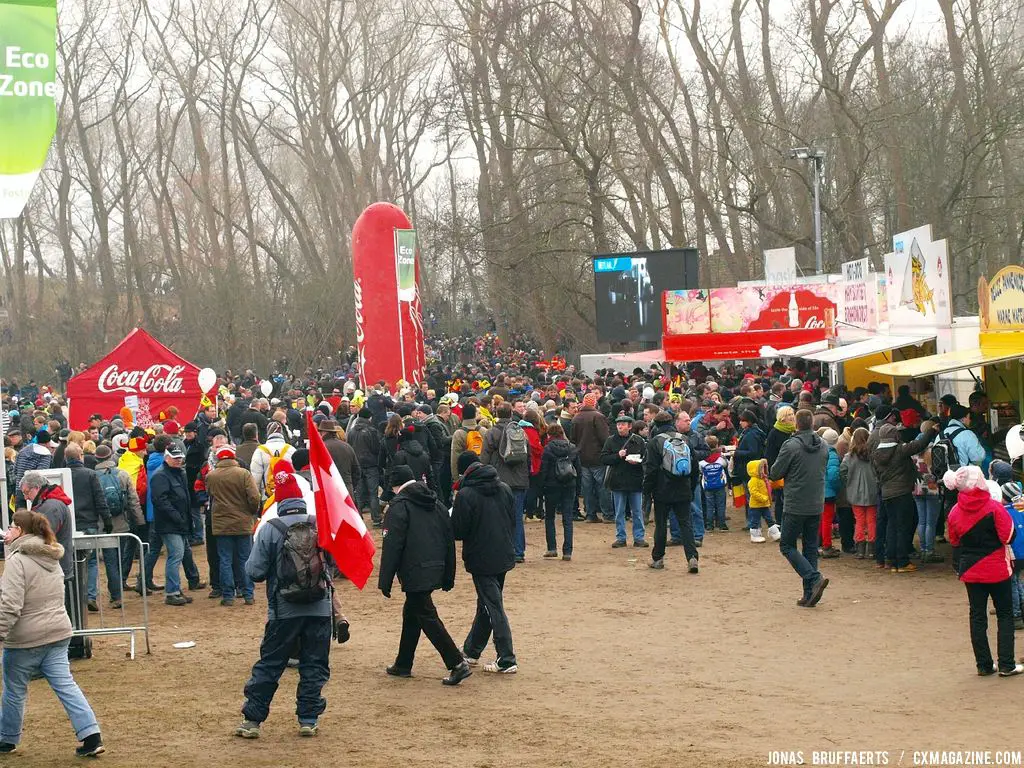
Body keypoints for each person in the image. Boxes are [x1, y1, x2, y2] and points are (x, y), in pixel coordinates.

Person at [236, 463, 339, 739]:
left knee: (270, 664)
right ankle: (308, 718)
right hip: (319, 607)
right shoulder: (320, 523)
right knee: (314, 664)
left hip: (283, 611)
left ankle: (252, 721)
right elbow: (334, 563)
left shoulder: (271, 528)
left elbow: (255, 572)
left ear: (279, 501)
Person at [0, 511, 105, 757]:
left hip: (26, 638)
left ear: (21, 531)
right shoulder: (51, 556)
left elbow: (9, 605)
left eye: (12, 527)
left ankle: (7, 739)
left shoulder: (18, 560)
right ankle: (91, 735)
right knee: (66, 686)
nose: (9, 530)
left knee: (14, 689)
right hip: (58, 632)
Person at [378, 465, 471, 685]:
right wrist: (449, 574)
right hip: (435, 566)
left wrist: (385, 580)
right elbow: (449, 540)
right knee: (413, 612)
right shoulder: (436, 503)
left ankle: (457, 662)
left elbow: (392, 545)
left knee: (426, 615)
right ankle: (403, 662)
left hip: (414, 570)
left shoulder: (398, 507)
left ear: (395, 485)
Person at [944, 466, 1022, 676]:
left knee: (977, 616)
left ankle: (984, 665)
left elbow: (954, 541)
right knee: (1005, 615)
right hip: (997, 568)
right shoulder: (994, 508)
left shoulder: (954, 512)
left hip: (971, 570)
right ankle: (1007, 664)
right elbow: (1008, 537)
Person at [451, 451, 518, 674]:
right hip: (503, 552)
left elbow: (458, 530)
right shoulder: (504, 488)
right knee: (487, 603)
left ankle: (506, 657)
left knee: (492, 605)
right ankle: (472, 650)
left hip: (481, 556)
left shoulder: (466, 494)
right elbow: (512, 520)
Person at [769, 409, 829, 607]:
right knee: (810, 547)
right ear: (812, 424)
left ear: (796, 424)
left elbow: (775, 472)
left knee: (787, 545)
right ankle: (809, 594)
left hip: (795, 502)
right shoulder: (824, 445)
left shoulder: (791, 445)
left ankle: (813, 579)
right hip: (816, 502)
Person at [871, 417, 938, 573]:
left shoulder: (876, 454)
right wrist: (932, 431)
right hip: (902, 493)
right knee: (903, 527)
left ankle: (890, 560)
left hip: (886, 493)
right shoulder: (900, 450)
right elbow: (919, 445)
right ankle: (902, 562)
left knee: (891, 526)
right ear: (895, 436)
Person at [644, 411, 699, 573]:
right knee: (686, 524)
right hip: (683, 488)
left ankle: (658, 558)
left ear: (656, 425)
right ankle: (692, 557)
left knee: (661, 525)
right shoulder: (685, 439)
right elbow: (694, 467)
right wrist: (691, 486)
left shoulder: (655, 442)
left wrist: (648, 491)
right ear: (673, 423)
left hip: (662, 490)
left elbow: (651, 470)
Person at [206, 445, 261, 607]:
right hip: (243, 522)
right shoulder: (243, 474)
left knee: (224, 559)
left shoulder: (211, 476)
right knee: (245, 558)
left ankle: (228, 595)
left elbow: (210, 495)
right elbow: (254, 497)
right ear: (233, 458)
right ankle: (248, 594)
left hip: (221, 524)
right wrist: (251, 512)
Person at [64, 443, 116, 612]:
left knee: (70, 562)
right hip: (89, 523)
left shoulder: (61, 475)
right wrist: (107, 520)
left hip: (68, 524)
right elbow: (100, 499)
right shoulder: (90, 475)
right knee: (91, 562)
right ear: (80, 456)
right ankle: (90, 596)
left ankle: (75, 598)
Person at [150, 441, 198, 606]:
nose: (178, 460)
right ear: (167, 457)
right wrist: (178, 517)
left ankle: (175, 589)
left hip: (178, 522)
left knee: (180, 554)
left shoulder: (178, 473)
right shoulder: (161, 475)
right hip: (170, 524)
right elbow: (160, 501)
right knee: (176, 555)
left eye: (180, 458)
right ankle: (172, 592)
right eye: (175, 458)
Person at [480, 402, 529, 562]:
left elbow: (484, 458)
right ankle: (518, 551)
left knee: (498, 517)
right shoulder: (520, 431)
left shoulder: (491, 433)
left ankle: (501, 550)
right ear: (511, 413)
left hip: (498, 480)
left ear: (496, 413)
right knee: (517, 517)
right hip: (519, 479)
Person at [601, 414, 647, 548]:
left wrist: (638, 462)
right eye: (618, 424)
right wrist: (617, 456)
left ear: (630, 426)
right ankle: (621, 537)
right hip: (618, 481)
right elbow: (604, 458)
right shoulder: (610, 441)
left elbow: (645, 458)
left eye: (623, 424)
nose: (620, 426)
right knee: (619, 511)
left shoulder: (638, 440)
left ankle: (639, 538)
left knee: (637, 511)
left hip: (635, 480)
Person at [539, 424, 580, 560]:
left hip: (551, 485)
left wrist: (542, 486)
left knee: (550, 517)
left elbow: (543, 470)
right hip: (569, 484)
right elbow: (578, 469)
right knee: (567, 518)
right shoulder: (572, 448)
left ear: (550, 435)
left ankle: (552, 548)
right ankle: (567, 551)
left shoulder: (548, 449)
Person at [571, 392, 612, 523]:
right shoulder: (598, 417)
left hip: (582, 457)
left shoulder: (576, 418)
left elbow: (573, 439)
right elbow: (604, 438)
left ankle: (590, 514)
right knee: (603, 486)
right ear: (594, 403)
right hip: (598, 457)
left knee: (587, 488)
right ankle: (608, 514)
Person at [840, 427, 878, 560]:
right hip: (872, 492)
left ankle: (860, 550)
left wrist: (849, 482)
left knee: (860, 521)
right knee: (872, 521)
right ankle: (872, 549)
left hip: (855, 493)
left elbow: (843, 471)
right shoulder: (873, 455)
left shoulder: (849, 457)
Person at [347, 408, 383, 527]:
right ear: (369, 417)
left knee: (359, 493)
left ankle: (357, 518)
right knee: (373, 493)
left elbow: (349, 446)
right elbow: (376, 448)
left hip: (357, 464)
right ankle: (376, 518)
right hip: (371, 464)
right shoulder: (371, 431)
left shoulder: (351, 431)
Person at [250, 422, 296, 503]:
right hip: (288, 495)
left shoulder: (260, 450)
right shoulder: (291, 449)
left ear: (268, 433)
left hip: (267, 495)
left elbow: (255, 477)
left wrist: (257, 498)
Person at [765, 406, 795, 525]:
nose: (792, 417)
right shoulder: (775, 432)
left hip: (792, 471)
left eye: (792, 414)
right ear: (782, 418)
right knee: (781, 499)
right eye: (789, 415)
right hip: (779, 471)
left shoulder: (793, 431)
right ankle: (780, 523)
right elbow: (769, 454)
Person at [699, 436, 730, 535]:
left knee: (709, 506)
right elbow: (727, 465)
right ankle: (722, 525)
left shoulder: (702, 459)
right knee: (721, 505)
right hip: (720, 484)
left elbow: (700, 469)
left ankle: (709, 526)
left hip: (708, 485)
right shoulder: (721, 458)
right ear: (717, 444)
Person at [818, 429, 841, 559]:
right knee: (827, 519)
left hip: (818, 490)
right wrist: (838, 488)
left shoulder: (818, 451)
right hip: (828, 493)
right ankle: (826, 546)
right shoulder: (831, 454)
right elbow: (833, 476)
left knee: (820, 519)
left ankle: (819, 544)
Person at [745, 459, 779, 543]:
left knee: (769, 518)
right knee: (755, 520)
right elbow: (754, 492)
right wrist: (763, 498)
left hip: (764, 504)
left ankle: (775, 533)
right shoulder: (753, 481)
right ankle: (754, 535)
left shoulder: (764, 479)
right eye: (761, 469)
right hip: (756, 505)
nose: (763, 470)